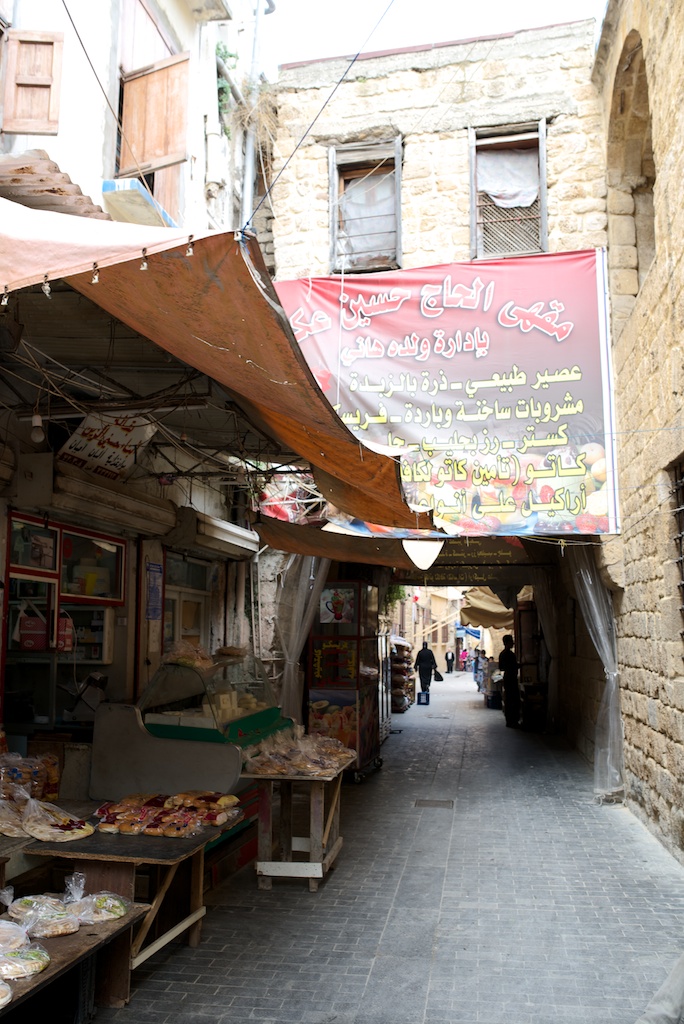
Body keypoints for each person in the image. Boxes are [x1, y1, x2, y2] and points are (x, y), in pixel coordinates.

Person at [499, 634, 520, 727]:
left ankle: (509, 720)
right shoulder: (510, 655)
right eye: (511, 641)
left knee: (509, 699)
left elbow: (501, 667)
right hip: (511, 678)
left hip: (507, 677)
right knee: (513, 699)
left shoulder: (502, 654)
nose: (513, 643)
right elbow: (513, 666)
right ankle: (513, 720)